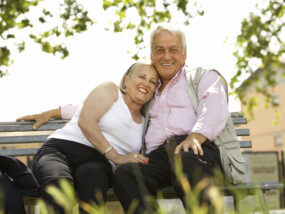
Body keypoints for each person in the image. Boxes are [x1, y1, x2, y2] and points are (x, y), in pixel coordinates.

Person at [17, 24, 244, 214]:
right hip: (157, 157)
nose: (166, 56)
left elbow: (215, 107)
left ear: (184, 53)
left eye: (173, 50)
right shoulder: (142, 94)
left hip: (195, 148)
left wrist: (196, 136)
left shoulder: (203, 77)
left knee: (186, 158)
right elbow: (95, 108)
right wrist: (54, 111)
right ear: (151, 55)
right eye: (159, 50)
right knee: (126, 173)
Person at [19, 62, 159, 214]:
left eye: (153, 81)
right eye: (142, 76)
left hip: (98, 163)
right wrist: (116, 156)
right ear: (126, 80)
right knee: (59, 186)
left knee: (95, 181)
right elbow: (85, 120)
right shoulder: (110, 90)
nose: (146, 83)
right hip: (61, 150)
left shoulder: (146, 123)